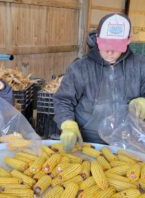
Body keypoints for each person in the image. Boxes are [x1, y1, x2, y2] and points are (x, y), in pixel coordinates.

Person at [53, 13, 145, 152]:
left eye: (116, 47)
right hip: (89, 140)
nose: (110, 52)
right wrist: (67, 124)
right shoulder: (81, 67)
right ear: (97, 39)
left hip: (128, 139)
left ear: (128, 41)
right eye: (105, 45)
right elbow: (63, 99)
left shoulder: (140, 65)